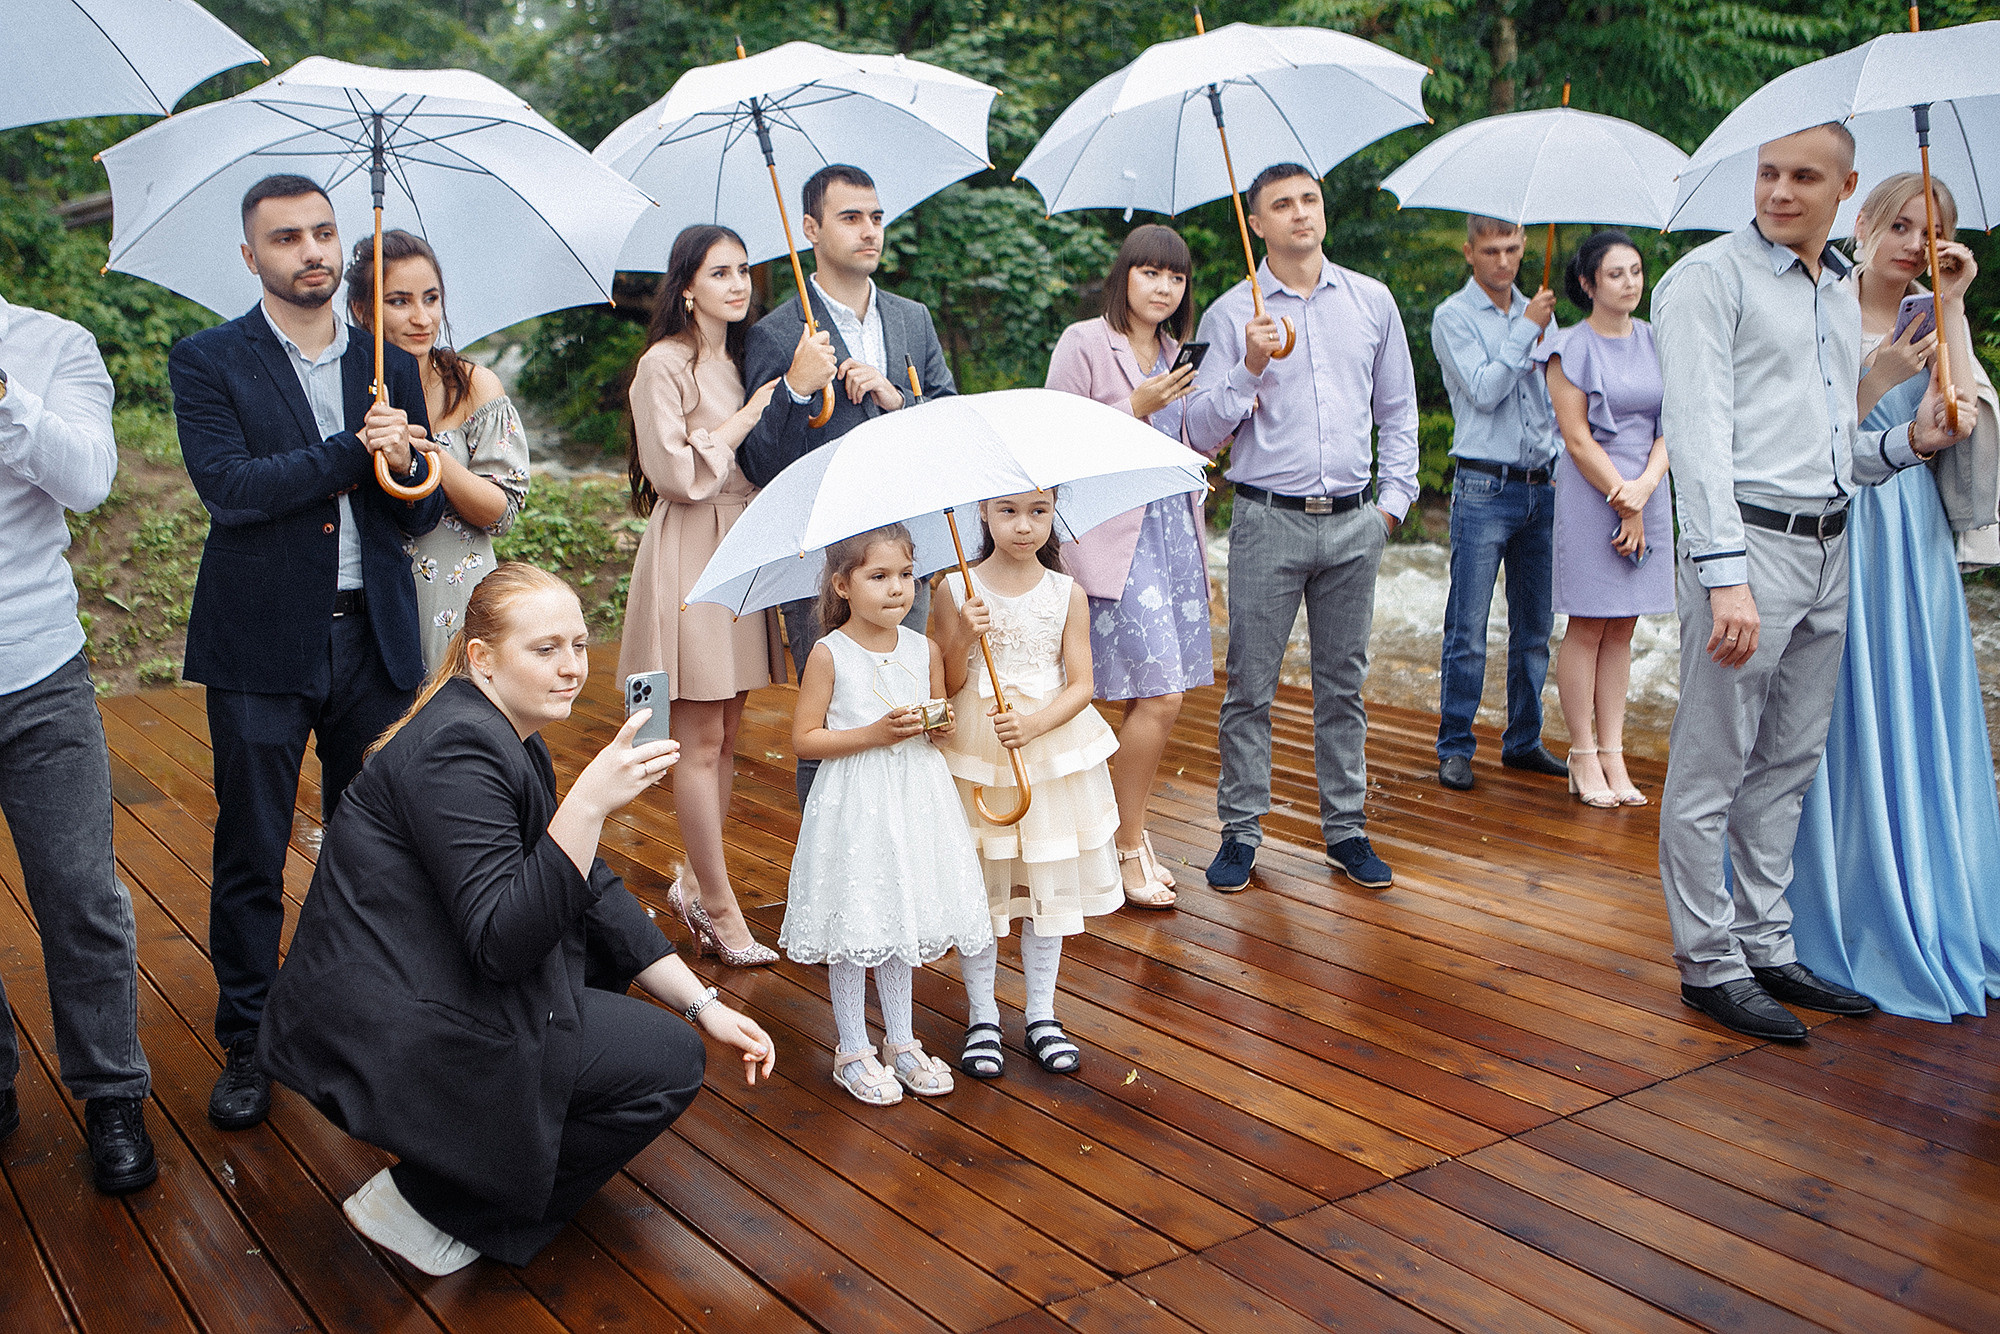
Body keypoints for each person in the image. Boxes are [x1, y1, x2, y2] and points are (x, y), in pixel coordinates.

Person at [259, 562, 775, 1275]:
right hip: (389, 1023)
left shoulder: (505, 733)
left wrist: (704, 1003)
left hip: (424, 977)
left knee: (609, 974)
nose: (572, 668)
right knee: (667, 1063)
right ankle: (431, 1206)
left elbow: (591, 886)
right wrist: (588, 805)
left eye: (580, 646)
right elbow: (501, 944)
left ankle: (476, 1166)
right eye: (546, 649)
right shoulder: (457, 749)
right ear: (483, 658)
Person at [1653, 124, 1974, 1042]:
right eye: (1768, 174)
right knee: (1712, 769)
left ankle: (1766, 944)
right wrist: (1725, 580)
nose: (1780, 192)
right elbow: (1699, 443)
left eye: (1803, 176)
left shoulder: (1836, 288)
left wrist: (1907, 444)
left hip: (1833, 548)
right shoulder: (1708, 280)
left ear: (1846, 187)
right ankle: (1708, 965)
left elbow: (1835, 447)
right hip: (1748, 554)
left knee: (1787, 765)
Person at [168, 174, 444, 1132]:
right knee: (252, 847)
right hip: (261, 643)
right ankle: (248, 1038)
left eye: (324, 232)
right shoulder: (208, 359)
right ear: (252, 257)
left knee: (376, 845)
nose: (313, 250)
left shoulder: (387, 359)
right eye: (287, 238)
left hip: (375, 635)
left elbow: (419, 514)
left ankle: (359, 1015)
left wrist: (406, 465)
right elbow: (232, 489)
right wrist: (352, 450)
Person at [1787, 173, 2000, 1021]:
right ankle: (1834, 906)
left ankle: (1934, 897)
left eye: (1933, 232)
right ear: (1865, 223)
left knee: (1918, 704)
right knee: (1835, 708)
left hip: (1915, 537)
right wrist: (1874, 381)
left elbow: (1965, 421)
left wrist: (1955, 309)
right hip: (1841, 521)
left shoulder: (1934, 316)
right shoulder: (1821, 308)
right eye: (1902, 225)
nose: (1916, 244)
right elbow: (1801, 431)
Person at [1184, 163, 1419, 892]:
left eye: (1309, 200)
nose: (1300, 213)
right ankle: (1240, 832)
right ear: (1256, 224)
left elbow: (1398, 409)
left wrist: (1392, 505)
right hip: (1267, 520)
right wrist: (1250, 364)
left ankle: (1346, 830)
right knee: (1250, 686)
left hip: (1354, 521)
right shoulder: (1231, 314)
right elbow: (1198, 431)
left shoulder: (1372, 301)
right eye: (1281, 205)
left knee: (1343, 686)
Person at [619, 224, 815, 968]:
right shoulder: (663, 365)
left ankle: (699, 886)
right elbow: (672, 471)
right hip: (692, 547)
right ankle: (721, 906)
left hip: (743, 542)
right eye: (719, 273)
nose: (737, 285)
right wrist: (746, 417)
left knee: (728, 735)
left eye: (742, 271)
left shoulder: (744, 357)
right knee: (697, 739)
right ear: (687, 288)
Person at [735, 163, 956, 808]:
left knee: (911, 711)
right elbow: (761, 463)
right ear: (810, 228)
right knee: (830, 719)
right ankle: (827, 859)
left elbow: (948, 425)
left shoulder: (912, 320)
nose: (869, 231)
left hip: (903, 554)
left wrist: (896, 398)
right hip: (821, 561)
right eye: (850, 217)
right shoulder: (779, 334)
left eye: (876, 217)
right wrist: (797, 388)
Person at [0, 292, 156, 1194]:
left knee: (79, 892)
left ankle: (112, 1093)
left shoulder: (55, 345)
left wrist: (2, 392)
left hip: (37, 668)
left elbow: (89, 478)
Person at [779, 525, 993, 1104]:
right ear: (842, 586)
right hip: (856, 800)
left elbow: (938, 719)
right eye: (878, 576)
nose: (897, 588)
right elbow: (805, 738)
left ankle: (901, 1041)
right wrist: (873, 733)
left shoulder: (924, 649)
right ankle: (852, 1048)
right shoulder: (829, 653)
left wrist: (939, 725)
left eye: (905, 575)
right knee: (857, 916)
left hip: (914, 797)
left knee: (900, 912)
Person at [1043, 223, 1213, 909]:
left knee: (1154, 695)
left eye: (1175, 277)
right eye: (1149, 272)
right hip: (1110, 535)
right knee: (1150, 694)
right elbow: (1054, 437)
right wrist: (1134, 405)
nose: (1163, 287)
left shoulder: (1177, 354)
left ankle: (1119, 836)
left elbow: (1198, 438)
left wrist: (1244, 381)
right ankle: (1123, 843)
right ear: (1124, 277)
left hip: (1174, 534)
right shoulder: (1084, 342)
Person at [933, 492, 1122, 1078]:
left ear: (1054, 511)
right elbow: (946, 682)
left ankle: (1042, 1011)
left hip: (1046, 746)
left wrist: (1035, 725)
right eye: (1009, 511)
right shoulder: (954, 588)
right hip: (976, 748)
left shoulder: (1067, 593)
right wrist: (963, 637)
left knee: (1046, 876)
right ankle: (983, 1014)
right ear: (983, 513)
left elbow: (1082, 683)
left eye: (1039, 511)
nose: (1024, 526)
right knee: (982, 882)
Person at [345, 229, 530, 670]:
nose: (422, 318)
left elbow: (501, 511)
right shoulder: (345, 389)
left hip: (459, 597)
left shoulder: (472, 386)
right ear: (361, 309)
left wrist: (433, 457)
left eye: (431, 299)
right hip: (374, 605)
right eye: (399, 301)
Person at [1535, 230, 1672, 808]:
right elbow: (1576, 438)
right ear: (1588, 284)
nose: (1630, 283)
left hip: (1650, 487)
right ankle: (1583, 753)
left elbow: (1673, 425)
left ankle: (1614, 752)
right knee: (1589, 623)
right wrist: (1623, 499)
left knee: (1624, 626)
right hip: (1593, 494)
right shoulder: (1567, 348)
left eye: (1636, 271)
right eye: (1616, 274)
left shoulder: (1659, 339)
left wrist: (1644, 491)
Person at [1430, 215, 1565, 793]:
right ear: (1469, 252)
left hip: (1543, 484)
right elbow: (1485, 391)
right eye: (1490, 251)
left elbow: (1555, 397)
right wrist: (1526, 331)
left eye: (1512, 248)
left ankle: (1524, 740)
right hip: (1484, 486)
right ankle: (1455, 745)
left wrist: (1563, 459)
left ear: (1524, 246)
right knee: (1468, 626)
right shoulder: (1452, 316)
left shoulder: (1539, 310)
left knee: (1535, 627)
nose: (1503, 261)